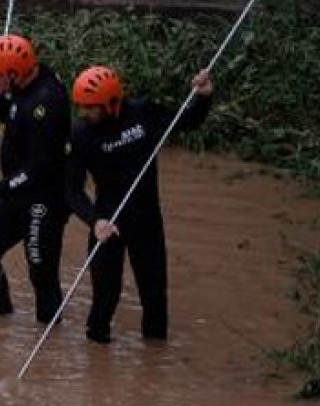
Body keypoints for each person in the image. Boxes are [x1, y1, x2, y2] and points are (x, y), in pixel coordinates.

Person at [67, 65, 213, 343]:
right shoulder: (81, 133)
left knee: (154, 295)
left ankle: (155, 361)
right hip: (107, 224)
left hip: (146, 222)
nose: (85, 113)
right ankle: (97, 366)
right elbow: (72, 191)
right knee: (104, 299)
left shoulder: (142, 112)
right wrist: (94, 220)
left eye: (91, 108)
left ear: (111, 103)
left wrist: (203, 97)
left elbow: (187, 120)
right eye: (82, 107)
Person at [0, 34, 71, 324]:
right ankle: (0, 319)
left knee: (41, 272)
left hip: (45, 198)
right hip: (19, 193)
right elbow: (12, 115)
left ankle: (49, 339)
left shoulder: (47, 102)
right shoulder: (23, 84)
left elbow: (39, 168)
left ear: (15, 73)